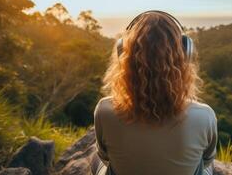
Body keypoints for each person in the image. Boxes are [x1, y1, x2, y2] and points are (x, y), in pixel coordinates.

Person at [93, 10, 217, 175]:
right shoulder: (204, 116)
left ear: (123, 54)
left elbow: (104, 156)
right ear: (185, 55)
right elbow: (207, 159)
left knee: (95, 159)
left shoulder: (104, 110)